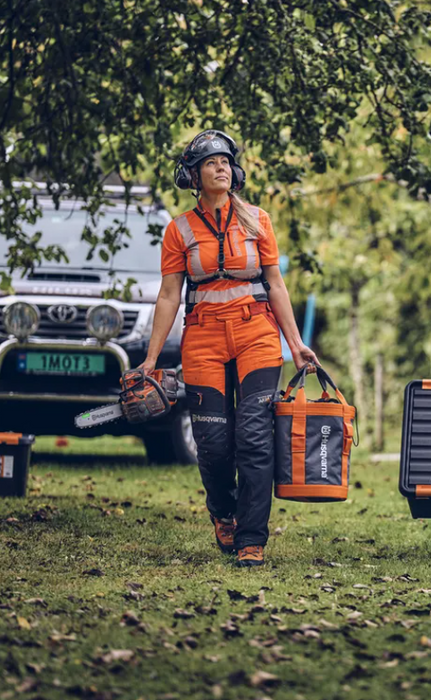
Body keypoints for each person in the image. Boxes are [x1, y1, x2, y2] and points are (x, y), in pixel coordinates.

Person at [140, 129, 318, 568]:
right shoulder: (178, 229)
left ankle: (251, 539)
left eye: (225, 161)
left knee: (255, 439)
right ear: (194, 177)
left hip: (257, 334)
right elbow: (168, 296)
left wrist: (296, 345)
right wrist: (149, 360)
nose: (220, 167)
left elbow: (275, 285)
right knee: (214, 443)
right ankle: (223, 511)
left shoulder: (258, 220)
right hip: (202, 339)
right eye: (210, 163)